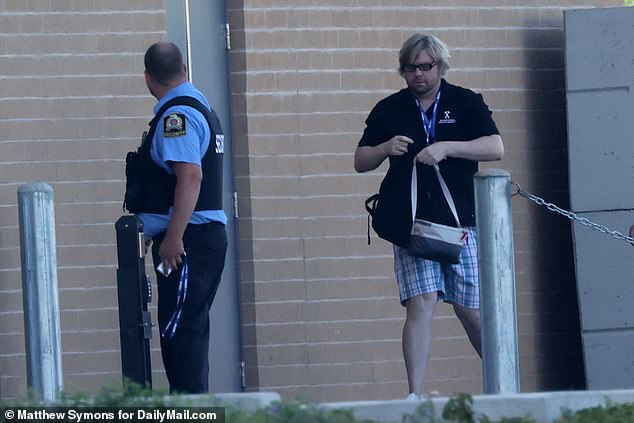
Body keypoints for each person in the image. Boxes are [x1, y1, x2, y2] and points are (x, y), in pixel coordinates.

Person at [354, 34, 504, 400]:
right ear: (403, 70)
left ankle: (503, 380)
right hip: (411, 224)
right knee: (420, 302)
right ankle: (415, 395)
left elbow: (495, 147)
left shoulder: (464, 101)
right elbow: (360, 161)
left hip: (460, 222)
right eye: (411, 68)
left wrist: (447, 148)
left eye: (425, 67)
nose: (418, 74)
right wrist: (385, 148)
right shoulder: (390, 109)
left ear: (440, 66)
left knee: (471, 311)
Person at [126, 41, 228, 393]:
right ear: (183, 69)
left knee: (181, 336)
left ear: (148, 77)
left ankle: (192, 411)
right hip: (196, 242)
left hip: (190, 245)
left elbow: (191, 177)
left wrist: (173, 237)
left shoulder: (177, 117)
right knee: (182, 330)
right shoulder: (199, 105)